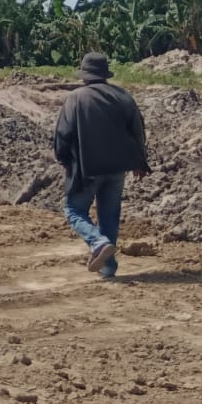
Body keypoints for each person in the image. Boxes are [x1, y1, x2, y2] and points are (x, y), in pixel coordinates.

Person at [53, 51, 149, 281]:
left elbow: (63, 134)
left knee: (74, 210)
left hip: (87, 168)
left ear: (84, 75)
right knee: (109, 216)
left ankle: (98, 243)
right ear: (105, 74)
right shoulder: (123, 96)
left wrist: (64, 160)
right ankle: (108, 268)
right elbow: (138, 130)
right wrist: (140, 161)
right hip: (117, 169)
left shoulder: (76, 98)